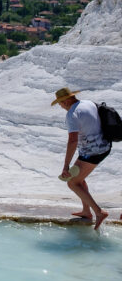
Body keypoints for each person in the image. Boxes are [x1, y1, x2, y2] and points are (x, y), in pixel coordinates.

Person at [53, 87, 112, 230]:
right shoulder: (88, 103)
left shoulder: (72, 114)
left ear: (66, 100)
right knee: (79, 178)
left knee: (72, 182)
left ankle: (99, 212)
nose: (60, 106)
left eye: (60, 103)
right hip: (102, 145)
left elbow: (72, 140)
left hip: (93, 151)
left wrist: (66, 165)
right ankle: (86, 212)